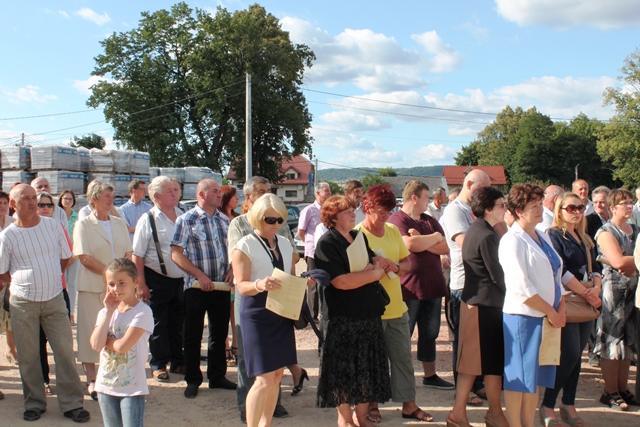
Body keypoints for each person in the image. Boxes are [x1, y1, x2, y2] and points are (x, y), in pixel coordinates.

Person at [0, 184, 89, 423]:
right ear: (13, 204)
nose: (32, 203)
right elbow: (2, 272)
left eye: (34, 198)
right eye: (26, 199)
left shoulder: (53, 226)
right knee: (28, 355)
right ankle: (34, 403)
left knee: (64, 352)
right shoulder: (7, 236)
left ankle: (72, 404)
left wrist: (48, 278)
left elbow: (65, 258)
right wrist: (23, 282)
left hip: (54, 299)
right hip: (23, 303)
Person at [232, 193, 315, 427]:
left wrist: (302, 282)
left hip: (281, 311)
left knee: (277, 375)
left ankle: (265, 424)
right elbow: (241, 285)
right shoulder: (245, 245)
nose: (276, 224)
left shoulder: (285, 244)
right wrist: (260, 284)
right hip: (257, 314)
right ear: (257, 218)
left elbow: (289, 277)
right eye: (270, 219)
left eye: (280, 219)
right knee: (264, 378)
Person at [355, 184, 433, 423]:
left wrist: (395, 267)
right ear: (367, 207)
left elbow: (407, 264)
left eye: (389, 211)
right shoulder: (356, 235)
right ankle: (373, 404)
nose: (385, 216)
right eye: (381, 211)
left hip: (397, 307)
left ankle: (409, 404)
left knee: (402, 359)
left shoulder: (391, 230)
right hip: (370, 310)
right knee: (372, 361)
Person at [315, 195, 392, 427]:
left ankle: (362, 417)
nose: (353, 214)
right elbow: (341, 281)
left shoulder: (358, 236)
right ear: (333, 217)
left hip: (367, 312)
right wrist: (374, 274)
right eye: (347, 211)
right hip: (343, 317)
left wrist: (372, 268)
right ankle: (346, 419)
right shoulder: (327, 243)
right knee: (343, 372)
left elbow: (370, 261)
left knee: (365, 368)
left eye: (352, 209)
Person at [499, 183, 565, 427]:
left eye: (540, 204)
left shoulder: (542, 235)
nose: (540, 210)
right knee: (519, 378)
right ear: (518, 211)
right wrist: (551, 311)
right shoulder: (511, 240)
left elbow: (556, 274)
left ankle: (528, 423)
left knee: (535, 377)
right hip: (523, 317)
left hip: (547, 316)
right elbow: (521, 286)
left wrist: (561, 306)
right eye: (533, 206)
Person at [448, 186, 509, 427]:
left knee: (478, 364)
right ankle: (472, 414)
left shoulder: (478, 230)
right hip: (485, 306)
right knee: (482, 364)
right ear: (488, 209)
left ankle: (485, 413)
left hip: (478, 304)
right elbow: (499, 276)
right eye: (501, 205)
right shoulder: (486, 235)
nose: (505, 209)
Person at [540, 192, 602, 426]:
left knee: (577, 357)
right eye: (571, 208)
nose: (576, 212)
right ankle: (548, 404)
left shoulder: (584, 237)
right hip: (569, 300)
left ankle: (568, 403)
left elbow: (596, 267)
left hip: (586, 301)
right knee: (569, 355)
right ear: (559, 210)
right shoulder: (554, 235)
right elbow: (560, 270)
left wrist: (596, 288)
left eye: (580, 207)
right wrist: (586, 292)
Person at [171, 179, 236, 399]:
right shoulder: (186, 219)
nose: (220, 195)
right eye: (215, 191)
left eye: (220, 191)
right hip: (196, 287)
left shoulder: (225, 220)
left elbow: (235, 250)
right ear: (201, 194)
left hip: (221, 286)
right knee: (193, 334)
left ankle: (217, 376)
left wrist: (233, 269)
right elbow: (176, 253)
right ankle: (193, 379)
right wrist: (199, 275)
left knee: (219, 333)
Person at [387, 181, 453, 390]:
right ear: (414, 198)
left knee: (430, 333)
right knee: (403, 335)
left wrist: (425, 240)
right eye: (426, 197)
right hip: (409, 288)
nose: (429, 201)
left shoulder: (429, 220)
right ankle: (397, 378)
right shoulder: (397, 219)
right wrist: (433, 238)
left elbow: (446, 245)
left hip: (433, 286)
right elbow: (409, 244)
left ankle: (430, 375)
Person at [74, 182, 133, 400]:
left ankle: (115, 376)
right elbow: (84, 257)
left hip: (120, 288)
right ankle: (91, 379)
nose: (111, 200)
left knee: (117, 330)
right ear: (94, 198)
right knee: (91, 330)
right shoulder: (83, 224)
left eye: (112, 195)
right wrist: (111, 276)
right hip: (92, 287)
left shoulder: (118, 223)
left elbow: (128, 252)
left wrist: (121, 279)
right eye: (107, 196)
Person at [440, 169, 491, 405]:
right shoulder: (455, 211)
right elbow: (466, 243)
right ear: (469, 184)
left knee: (478, 341)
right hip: (463, 285)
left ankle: (477, 383)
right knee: (463, 341)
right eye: (482, 188)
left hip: (480, 284)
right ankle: (463, 388)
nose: (486, 193)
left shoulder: (475, 210)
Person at [132, 176, 185, 383]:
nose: (174, 193)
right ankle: (158, 364)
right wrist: (141, 284)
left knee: (179, 322)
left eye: (175, 190)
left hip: (181, 279)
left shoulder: (183, 214)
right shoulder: (148, 219)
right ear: (156, 196)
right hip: (157, 278)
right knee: (158, 324)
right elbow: (137, 255)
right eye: (169, 190)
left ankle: (178, 361)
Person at [90, 258, 153, 427]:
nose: (116, 289)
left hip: (132, 388)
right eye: (111, 284)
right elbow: (95, 344)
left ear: (135, 282)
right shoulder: (105, 312)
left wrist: (107, 340)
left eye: (122, 283)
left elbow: (122, 346)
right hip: (105, 386)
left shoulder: (143, 312)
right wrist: (109, 312)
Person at [595, 188, 638, 411]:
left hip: (633, 292)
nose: (629, 206)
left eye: (631, 202)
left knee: (627, 342)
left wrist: (631, 263)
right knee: (612, 342)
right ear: (612, 208)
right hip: (614, 294)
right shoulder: (606, 231)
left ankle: (622, 388)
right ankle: (609, 390)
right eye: (624, 203)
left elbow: (626, 262)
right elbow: (618, 262)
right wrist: (633, 261)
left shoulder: (636, 230)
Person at [37, 191, 72, 397]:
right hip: (33, 295)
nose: (45, 208)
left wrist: (54, 274)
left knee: (62, 342)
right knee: (38, 341)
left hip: (58, 289)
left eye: (48, 205)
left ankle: (67, 385)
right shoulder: (22, 229)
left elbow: (68, 256)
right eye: (41, 205)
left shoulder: (58, 228)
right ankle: (42, 380)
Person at [297, 182, 332, 322]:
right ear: (318, 193)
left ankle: (324, 312)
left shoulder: (329, 210)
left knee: (325, 281)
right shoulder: (308, 210)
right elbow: (300, 232)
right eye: (326, 191)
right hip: (312, 252)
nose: (329, 193)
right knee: (313, 283)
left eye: (329, 191)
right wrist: (309, 244)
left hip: (327, 253)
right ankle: (312, 315)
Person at [220, 185, 240, 365]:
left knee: (235, 309)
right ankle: (225, 346)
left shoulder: (238, 218)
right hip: (221, 270)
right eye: (234, 196)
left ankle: (236, 344)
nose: (238, 199)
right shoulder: (218, 218)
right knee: (222, 311)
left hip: (236, 269)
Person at [0, 191, 17, 369]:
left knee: (10, 315)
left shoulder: (13, 223)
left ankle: (11, 348)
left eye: (5, 203)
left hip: (10, 276)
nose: (2, 206)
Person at [59, 190, 79, 325]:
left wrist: (73, 254)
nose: (67, 201)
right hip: (60, 256)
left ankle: (71, 313)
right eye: (65, 198)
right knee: (61, 285)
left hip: (74, 255)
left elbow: (78, 237)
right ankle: (61, 313)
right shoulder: (57, 215)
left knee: (72, 285)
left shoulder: (77, 217)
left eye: (70, 199)